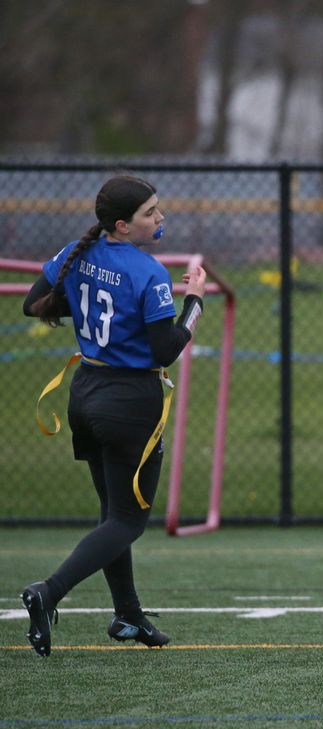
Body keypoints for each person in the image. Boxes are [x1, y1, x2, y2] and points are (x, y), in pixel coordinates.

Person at [20, 174, 206, 657]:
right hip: (129, 401)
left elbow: (32, 303)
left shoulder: (76, 252)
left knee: (112, 514)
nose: (160, 217)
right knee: (128, 522)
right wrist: (195, 303)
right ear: (122, 225)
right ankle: (47, 592)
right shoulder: (148, 272)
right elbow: (166, 350)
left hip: (86, 393)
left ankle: (127, 615)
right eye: (150, 212)